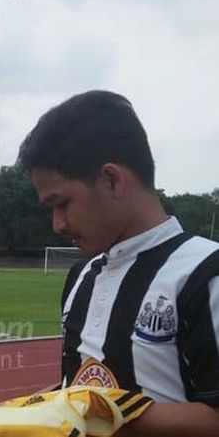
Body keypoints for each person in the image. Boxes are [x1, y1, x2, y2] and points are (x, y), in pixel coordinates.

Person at [17, 90, 219, 436]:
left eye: (62, 203)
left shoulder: (204, 272)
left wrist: (110, 412)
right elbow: (74, 389)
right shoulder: (83, 275)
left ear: (111, 180)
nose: (58, 224)